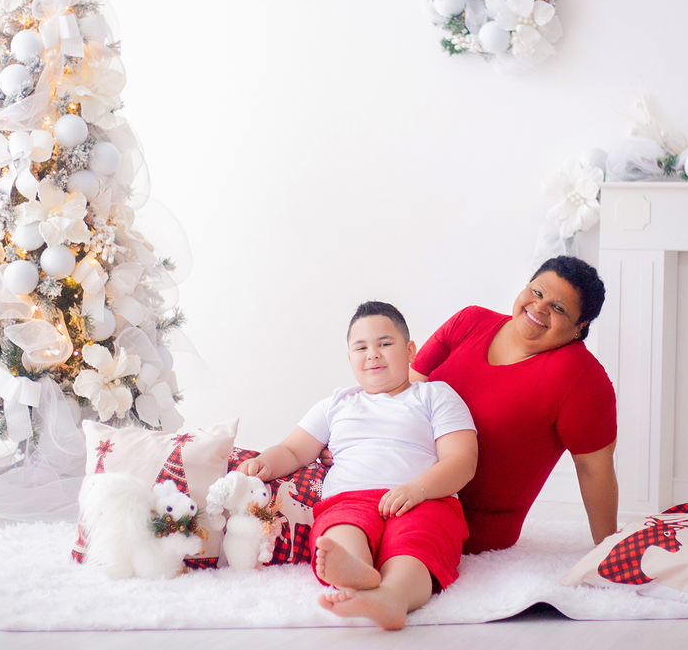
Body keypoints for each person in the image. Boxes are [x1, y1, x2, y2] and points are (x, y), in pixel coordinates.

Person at [237, 301, 477, 630]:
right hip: (350, 498)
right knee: (340, 527)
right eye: (361, 347)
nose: (372, 354)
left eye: (385, 344)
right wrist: (264, 462)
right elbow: (294, 451)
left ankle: (393, 596)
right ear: (350, 359)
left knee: (416, 542)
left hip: (423, 498)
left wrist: (418, 489)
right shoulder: (336, 404)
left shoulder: (435, 396)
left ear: (410, 351)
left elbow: (462, 460)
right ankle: (355, 568)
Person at [409, 255, 618, 553]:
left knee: (379, 529)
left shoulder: (581, 377)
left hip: (469, 517)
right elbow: (401, 392)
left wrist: (607, 550)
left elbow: (593, 469)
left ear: (580, 326)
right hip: (402, 478)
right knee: (330, 491)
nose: (539, 308)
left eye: (558, 308)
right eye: (537, 292)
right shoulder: (469, 321)